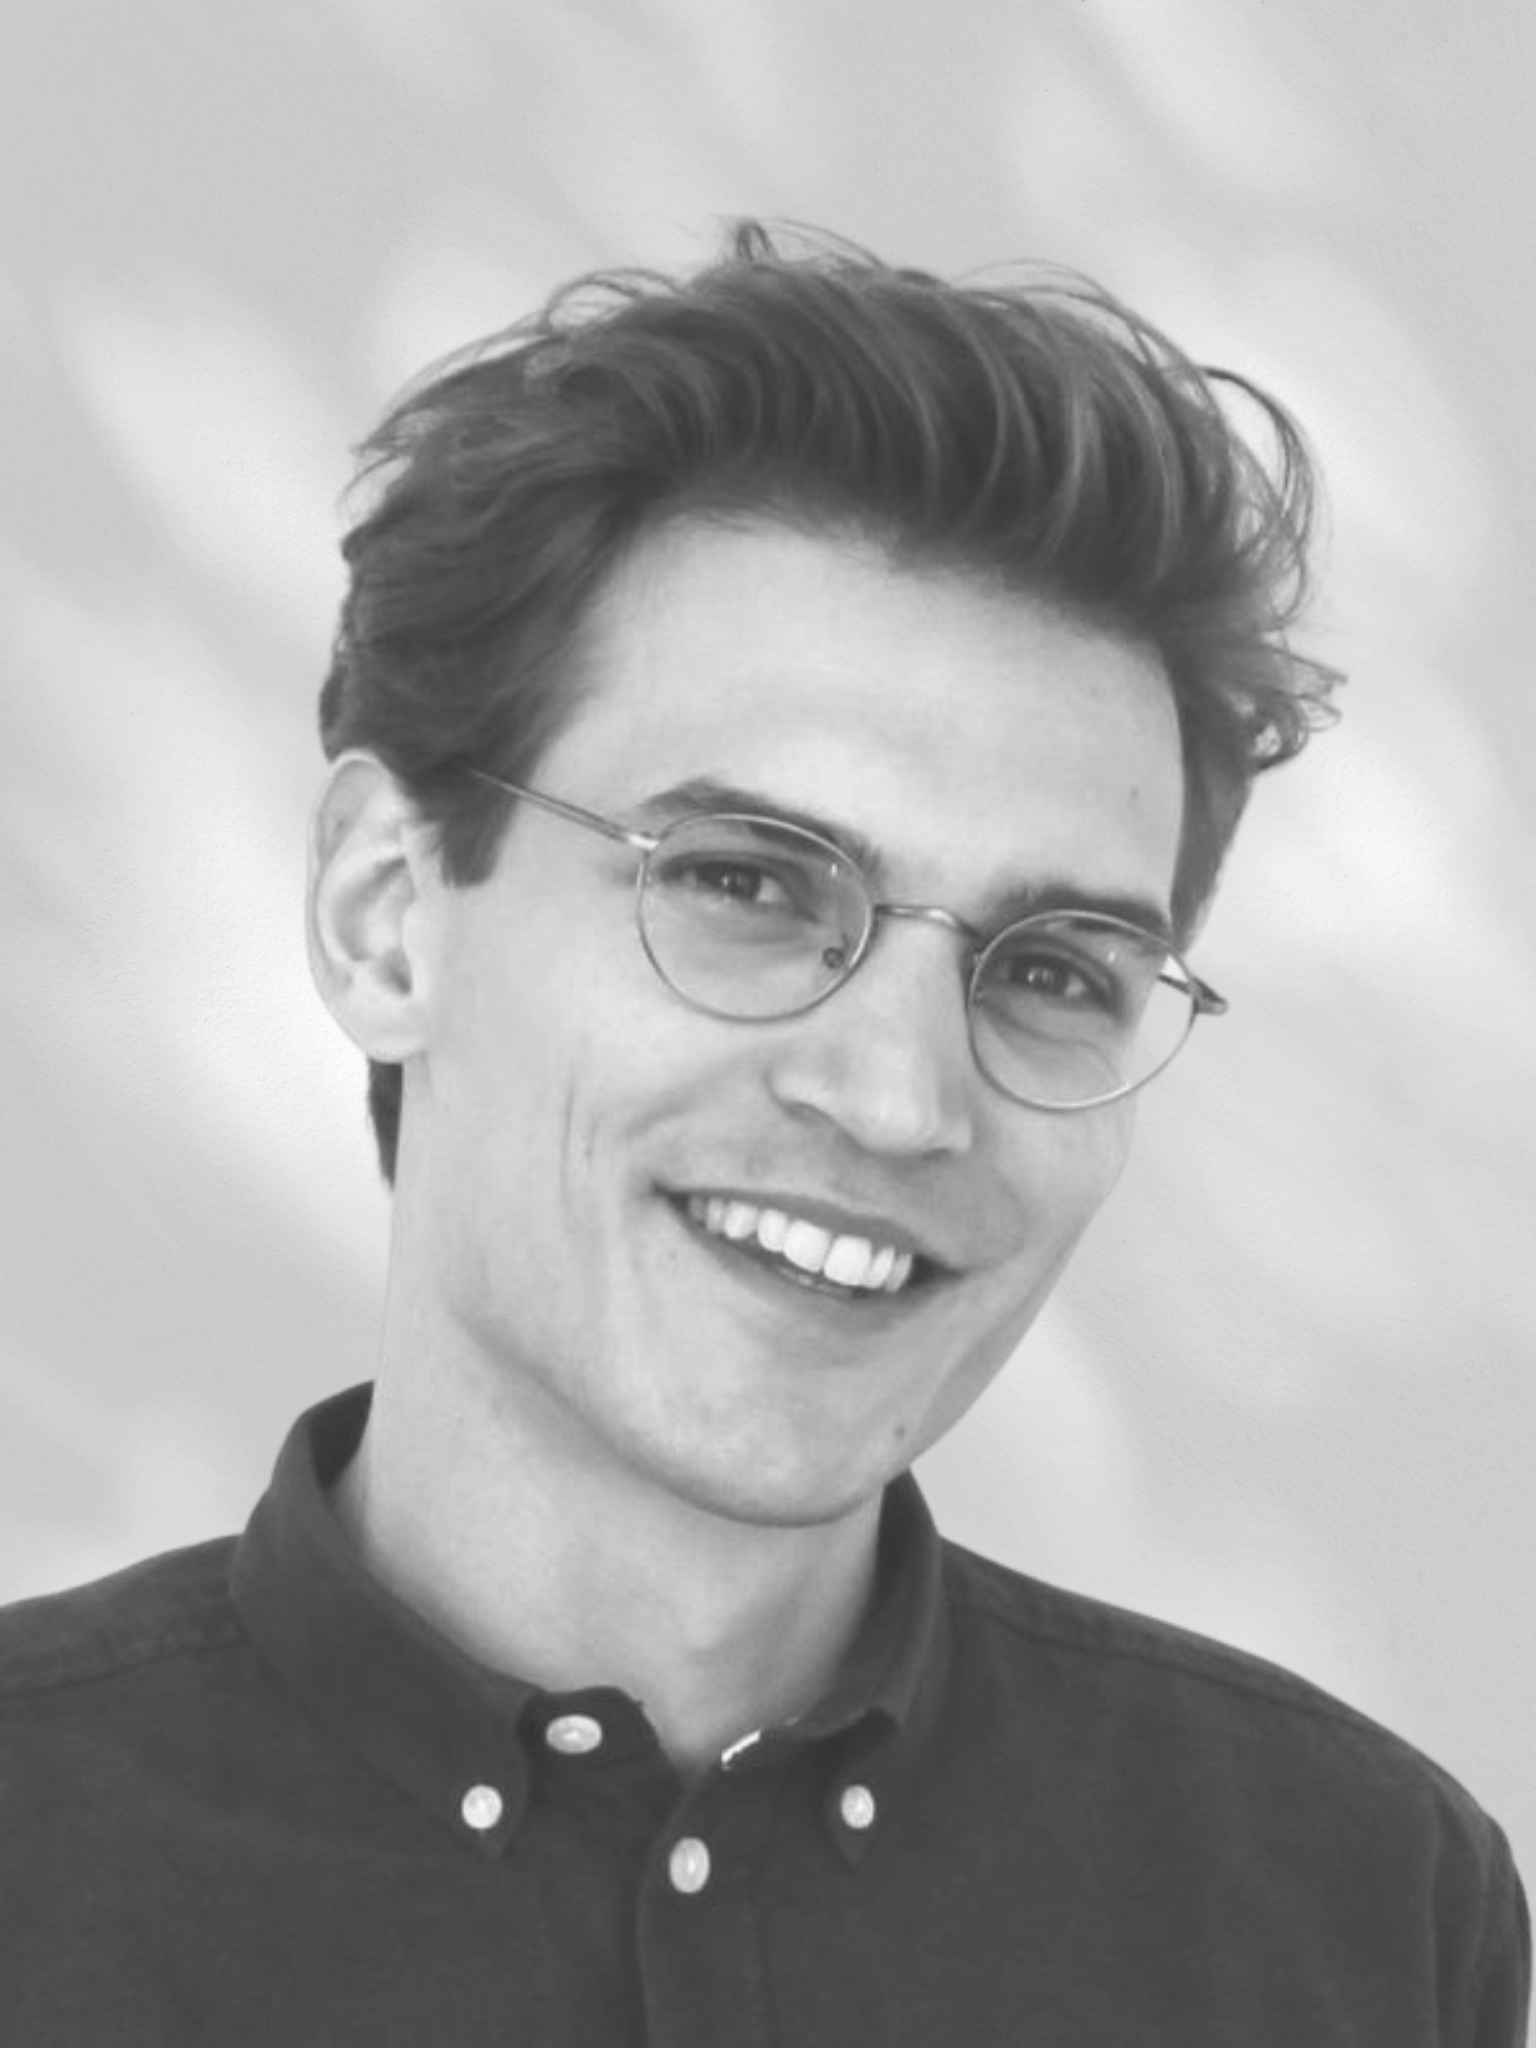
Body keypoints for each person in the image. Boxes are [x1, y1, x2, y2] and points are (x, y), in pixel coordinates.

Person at [0, 223, 1526, 2046]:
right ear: (386, 917)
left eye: (1053, 971)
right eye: (744, 882)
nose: (898, 1098)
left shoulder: (1360, 1909)